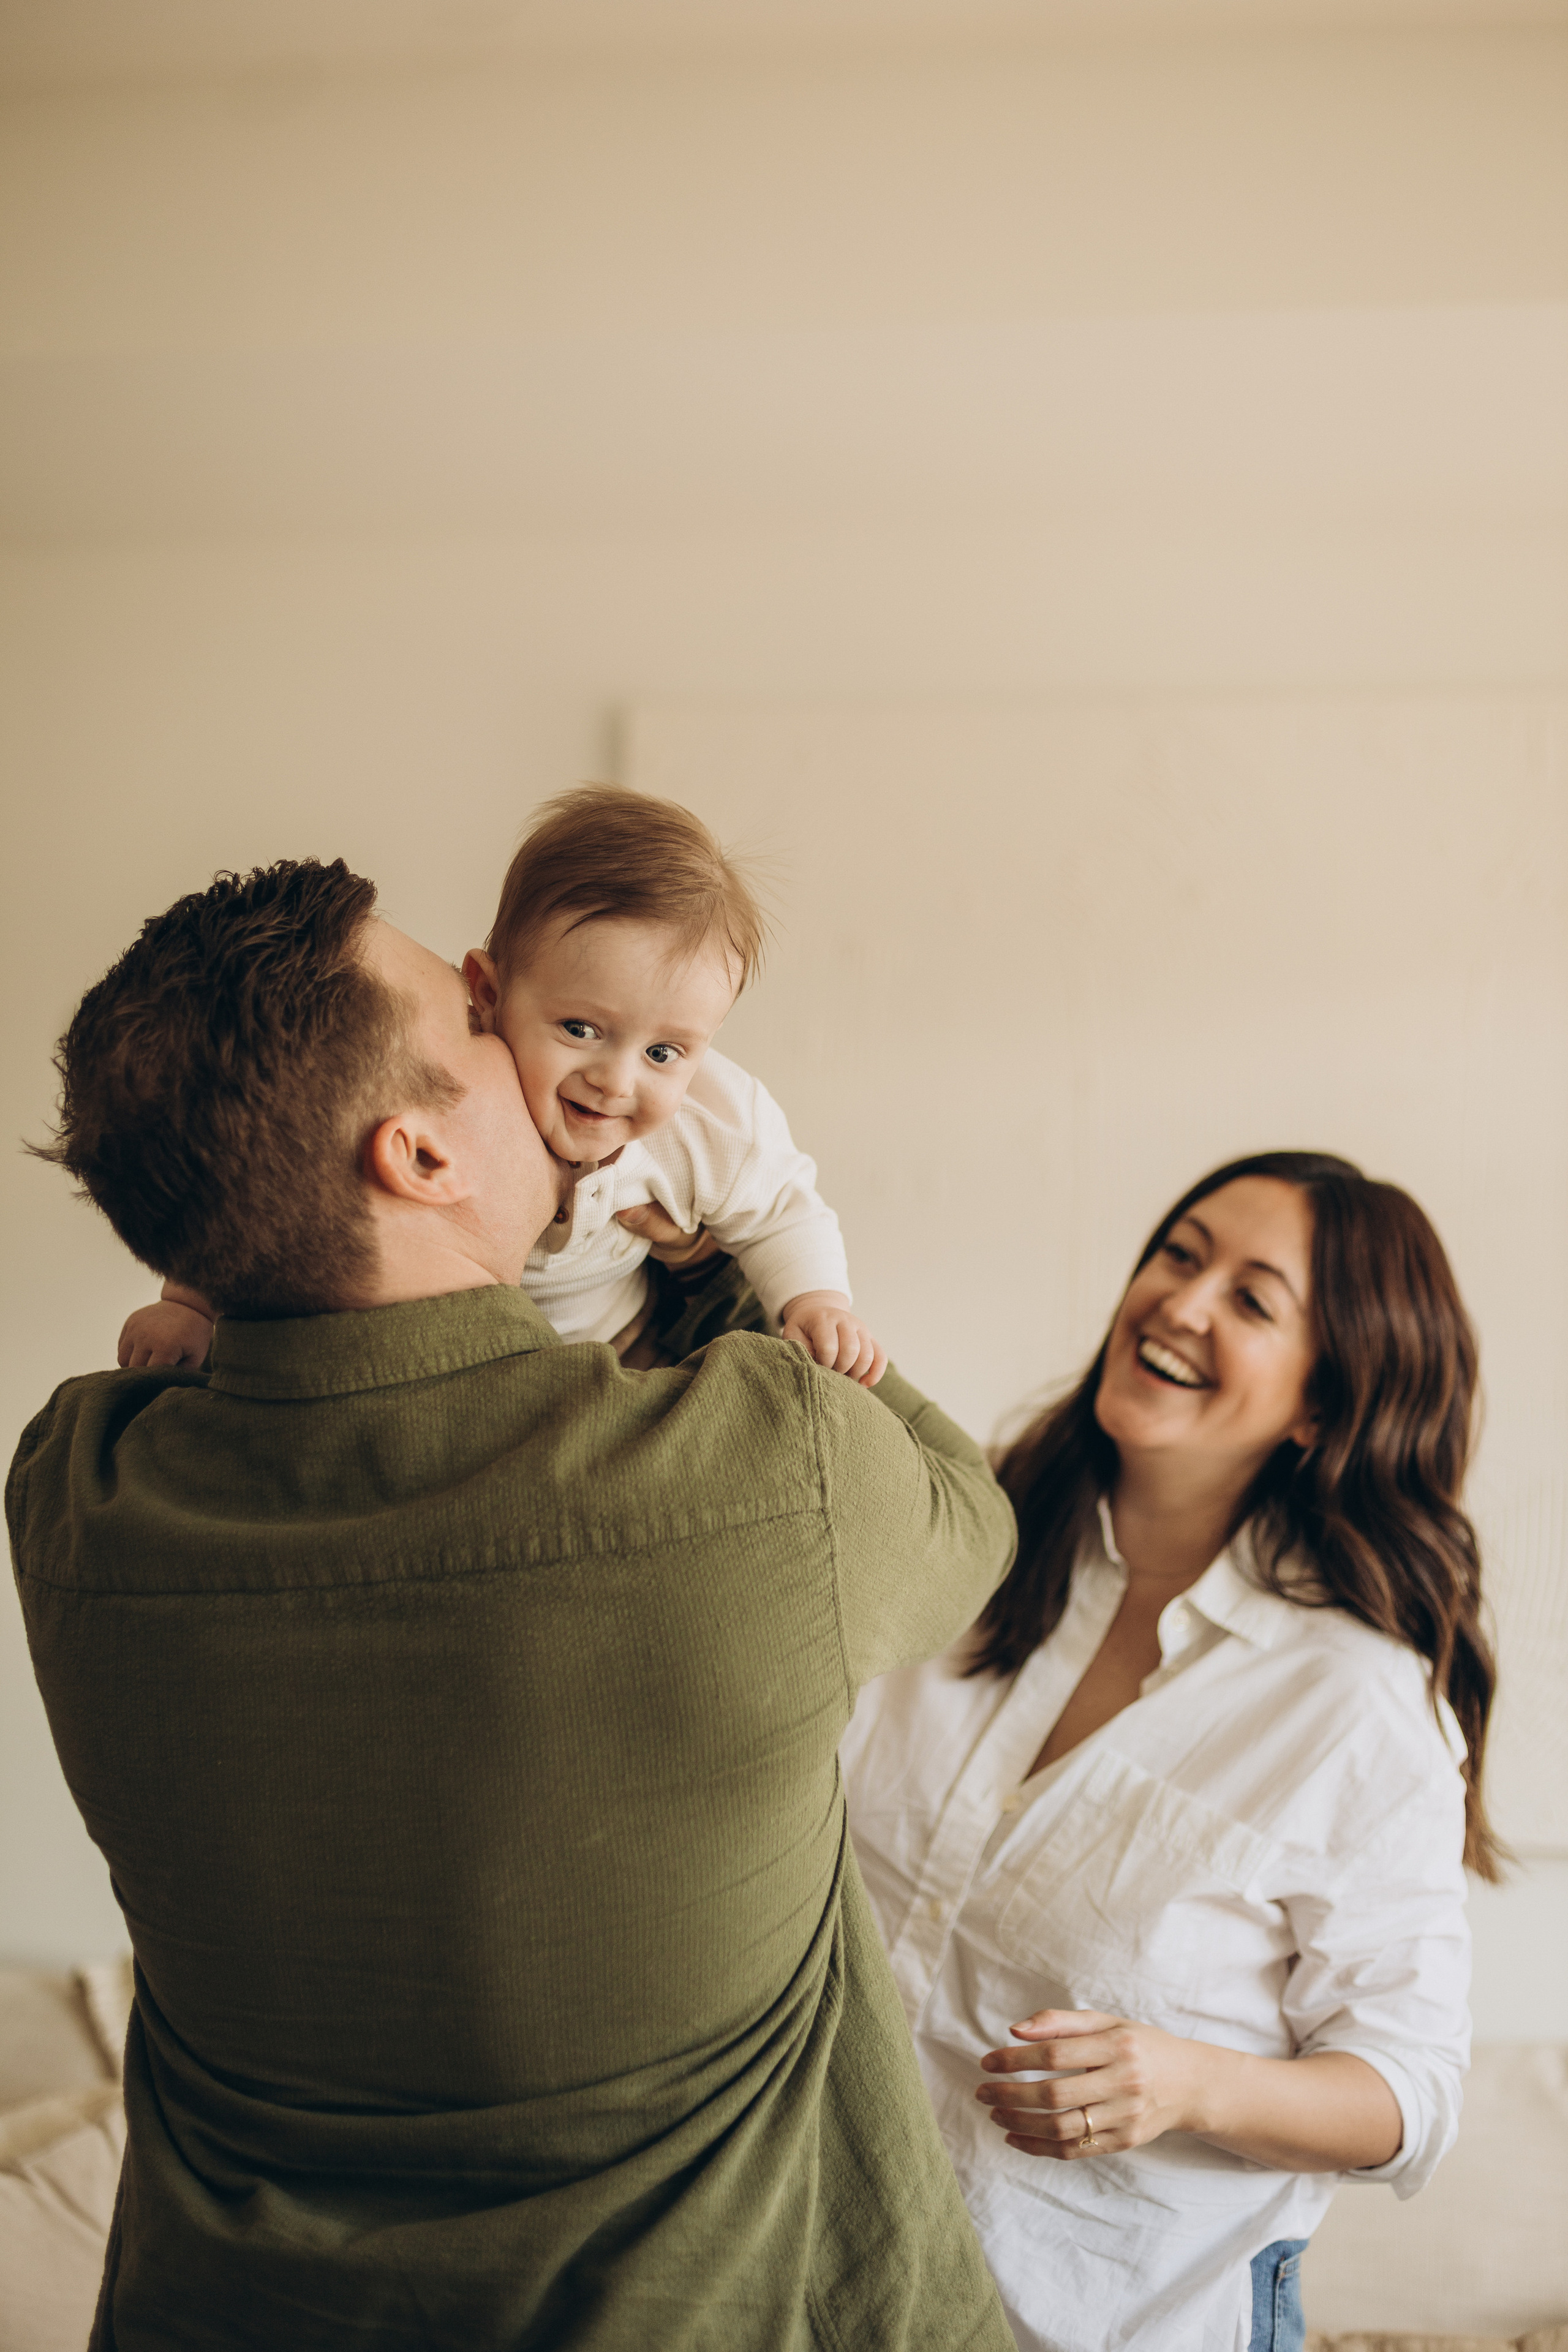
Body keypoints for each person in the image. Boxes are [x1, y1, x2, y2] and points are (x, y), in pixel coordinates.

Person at [9, 858, 1019, 2352]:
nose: (522, 1025)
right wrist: (727, 1265)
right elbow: (961, 1508)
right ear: (417, 1156)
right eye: (481, 1014)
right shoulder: (757, 1469)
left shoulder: (76, 1490)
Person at [842, 1152, 1496, 2352]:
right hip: (836, 2289)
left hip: (1122, 2323)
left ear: (1320, 1404)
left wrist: (1189, 2084)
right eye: (1177, 1253)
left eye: (1251, 1299)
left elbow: (1409, 2095)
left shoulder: (1351, 1703)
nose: (1178, 1304)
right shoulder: (966, 1548)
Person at [117, 786, 885, 1385]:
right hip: (454, 1365)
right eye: (580, 1030)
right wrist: (186, 1305)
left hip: (624, 1348)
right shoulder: (460, 1090)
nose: (615, 1081)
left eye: (665, 1051)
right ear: (489, 992)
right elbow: (273, 1167)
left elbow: (783, 1208)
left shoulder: (710, 1122)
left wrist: (816, 1301)